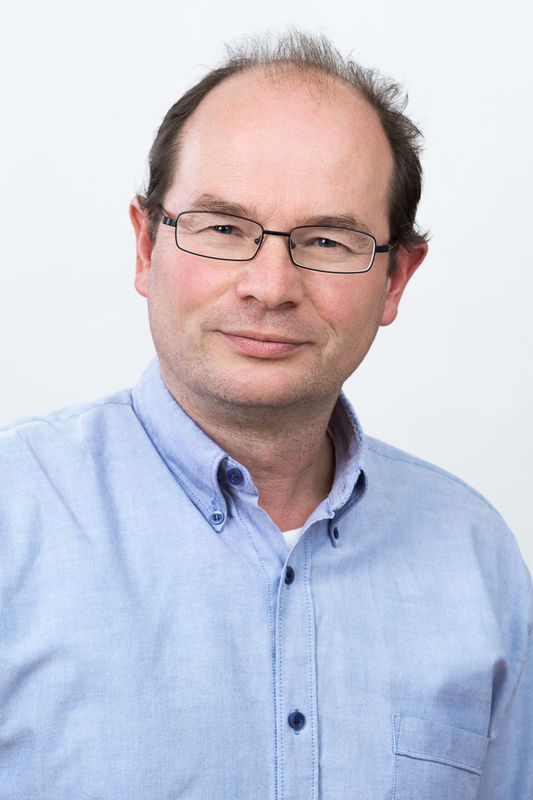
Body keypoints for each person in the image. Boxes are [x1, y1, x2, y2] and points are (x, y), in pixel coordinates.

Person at [0, 31, 531, 800]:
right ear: (145, 247)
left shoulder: (475, 556)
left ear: (394, 280)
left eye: (327, 240)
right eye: (223, 227)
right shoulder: (13, 518)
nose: (270, 286)